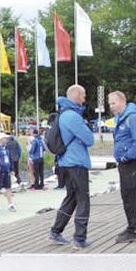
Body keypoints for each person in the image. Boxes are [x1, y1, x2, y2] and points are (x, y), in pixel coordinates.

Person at [48, 85, 94, 248]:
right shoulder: (72, 116)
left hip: (65, 162)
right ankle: (79, 238)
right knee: (83, 198)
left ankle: (55, 231)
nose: (84, 99)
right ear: (76, 96)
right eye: (83, 95)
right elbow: (89, 139)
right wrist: (86, 130)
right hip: (76, 162)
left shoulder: (62, 114)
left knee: (71, 197)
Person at [109, 91, 136, 243]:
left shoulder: (133, 117)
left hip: (130, 162)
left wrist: (127, 156)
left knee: (130, 195)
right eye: (110, 103)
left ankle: (134, 229)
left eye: (114, 103)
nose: (111, 106)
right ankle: (132, 226)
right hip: (124, 162)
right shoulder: (121, 118)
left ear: (123, 102)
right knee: (127, 195)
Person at [0, 132, 16, 211]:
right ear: (0, 139)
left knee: (8, 188)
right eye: (4, 138)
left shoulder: (6, 148)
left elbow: (10, 159)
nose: (6, 140)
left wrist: (12, 169)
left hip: (7, 170)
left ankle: (10, 205)